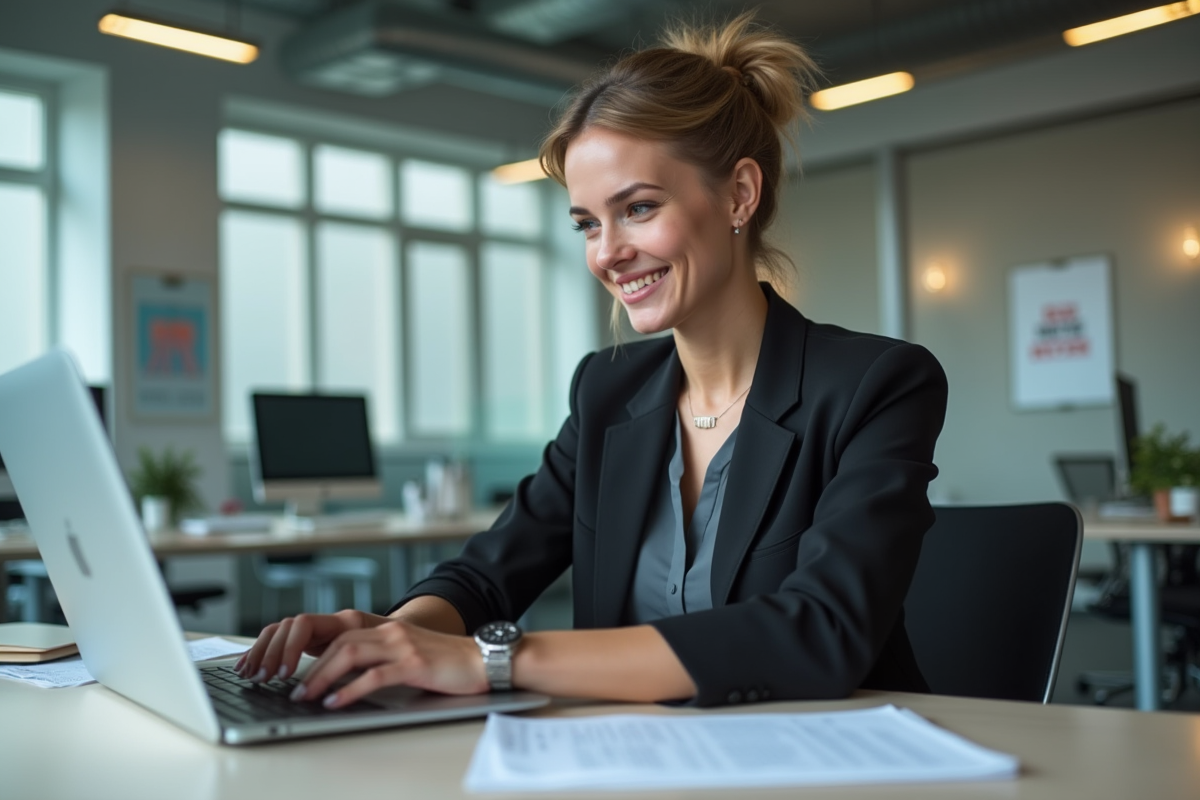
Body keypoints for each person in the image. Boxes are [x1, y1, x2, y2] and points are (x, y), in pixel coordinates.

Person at [237, 12, 948, 709]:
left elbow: (820, 632)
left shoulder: (873, 386)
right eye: (587, 223)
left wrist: (496, 661)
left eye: (637, 208)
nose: (606, 253)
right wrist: (394, 634)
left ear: (739, 193)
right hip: (629, 762)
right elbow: (489, 575)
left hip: (833, 764)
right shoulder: (610, 390)